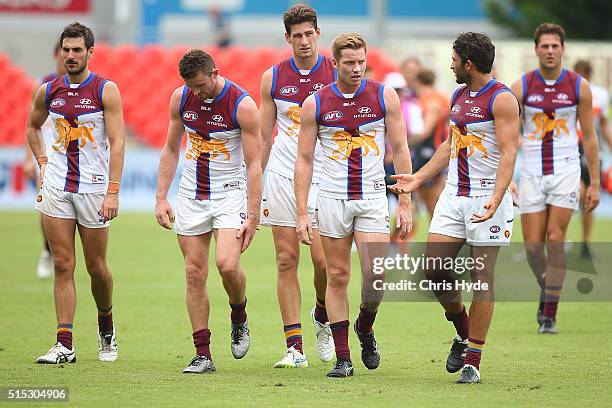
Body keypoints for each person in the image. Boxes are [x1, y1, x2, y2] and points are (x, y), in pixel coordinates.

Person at [390, 32, 520, 384]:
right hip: (454, 195)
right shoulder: (459, 95)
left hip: (486, 199)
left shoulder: (503, 99)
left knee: (482, 279)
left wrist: (498, 195)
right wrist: (418, 178)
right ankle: (463, 332)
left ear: (468, 63)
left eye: (454, 58)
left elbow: (509, 152)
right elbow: (450, 145)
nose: (449, 64)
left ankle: (473, 361)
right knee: (433, 269)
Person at [295, 33, 413, 378]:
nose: (357, 68)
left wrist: (404, 200)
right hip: (331, 199)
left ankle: (365, 325)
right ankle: (343, 358)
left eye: (361, 61)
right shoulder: (315, 103)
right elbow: (303, 160)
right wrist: (303, 210)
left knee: (376, 275)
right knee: (337, 275)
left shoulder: (383, 95)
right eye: (350, 62)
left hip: (374, 196)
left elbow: (401, 149)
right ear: (335, 63)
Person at [155, 49, 262, 374]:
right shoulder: (181, 98)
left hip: (230, 195)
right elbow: (171, 148)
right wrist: (161, 196)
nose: (197, 92)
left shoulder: (241, 105)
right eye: (191, 86)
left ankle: (239, 314)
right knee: (193, 273)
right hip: (191, 195)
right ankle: (203, 353)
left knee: (227, 265)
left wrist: (253, 213)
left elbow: (255, 164)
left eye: (201, 85)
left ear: (215, 72)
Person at [26, 22, 126, 364]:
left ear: (89, 52)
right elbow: (32, 126)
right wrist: (42, 162)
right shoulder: (48, 90)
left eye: (77, 50)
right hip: (56, 186)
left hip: (94, 190)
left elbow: (118, 142)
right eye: (66, 49)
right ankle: (64, 343)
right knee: (63, 264)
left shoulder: (105, 90)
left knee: (97, 268)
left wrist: (112, 191)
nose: (70, 55)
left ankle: (106, 324)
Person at [259, 3, 336, 368]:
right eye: (297, 36)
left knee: (323, 261)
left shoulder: (336, 71)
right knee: (286, 258)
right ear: (287, 38)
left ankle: (321, 313)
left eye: (309, 34)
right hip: (280, 176)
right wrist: (254, 186)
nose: (304, 41)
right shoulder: (272, 78)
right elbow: (262, 139)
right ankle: (294, 347)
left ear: (318, 33)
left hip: (326, 176)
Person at [510, 23, 600, 333]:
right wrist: (506, 175)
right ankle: (548, 287)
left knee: (555, 238)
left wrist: (597, 183)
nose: (550, 51)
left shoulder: (578, 87)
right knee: (534, 247)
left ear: (563, 49)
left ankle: (550, 313)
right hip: (532, 170)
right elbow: (507, 134)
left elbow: (589, 137)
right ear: (536, 49)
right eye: (544, 46)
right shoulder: (521, 86)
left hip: (565, 170)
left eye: (555, 46)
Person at [23, 40, 67, 279]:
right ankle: (47, 252)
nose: (66, 58)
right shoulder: (43, 85)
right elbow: (31, 125)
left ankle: (62, 257)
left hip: (71, 157)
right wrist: (28, 158)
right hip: (46, 157)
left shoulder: (85, 87)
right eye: (62, 53)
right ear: (55, 56)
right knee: (46, 210)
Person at [573, 60, 611, 258]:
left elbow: (603, 125)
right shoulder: (569, 92)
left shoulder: (601, 94)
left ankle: (585, 243)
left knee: (589, 199)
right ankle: (558, 236)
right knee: (578, 192)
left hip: (593, 149)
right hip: (572, 148)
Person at [409, 68, 450, 231]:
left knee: (433, 204)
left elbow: (425, 130)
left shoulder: (431, 100)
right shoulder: (440, 97)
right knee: (422, 204)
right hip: (432, 151)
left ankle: (444, 246)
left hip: (429, 152)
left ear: (417, 81)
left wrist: (403, 144)